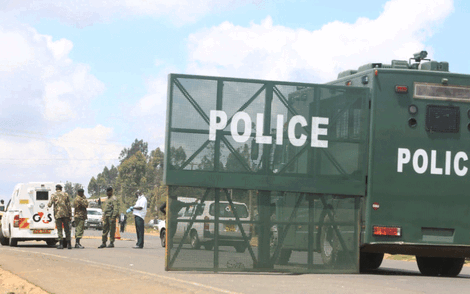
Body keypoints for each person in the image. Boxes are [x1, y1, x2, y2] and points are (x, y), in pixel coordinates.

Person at [47, 184, 72, 249]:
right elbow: (69, 205)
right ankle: (69, 244)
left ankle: (61, 244)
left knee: (59, 229)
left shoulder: (54, 195)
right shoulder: (66, 194)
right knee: (67, 229)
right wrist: (70, 215)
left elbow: (49, 204)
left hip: (58, 214)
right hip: (65, 214)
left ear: (56, 188)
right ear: (61, 188)